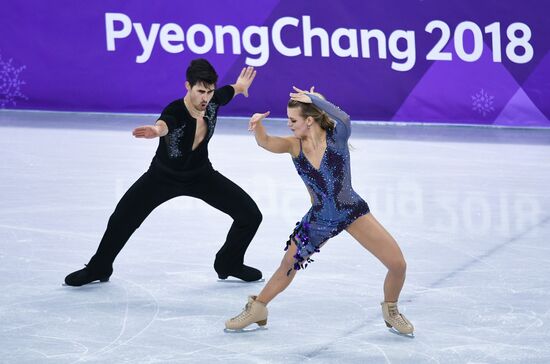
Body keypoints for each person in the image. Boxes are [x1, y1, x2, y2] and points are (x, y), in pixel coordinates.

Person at [225, 87, 414, 335]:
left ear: (309, 120)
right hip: (320, 219)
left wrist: (315, 99)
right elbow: (267, 142)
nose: (290, 125)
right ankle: (258, 308)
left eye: (293, 120)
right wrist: (258, 127)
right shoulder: (295, 146)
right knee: (287, 265)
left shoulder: (337, 138)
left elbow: (344, 118)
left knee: (398, 264)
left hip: (351, 211)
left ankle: (391, 310)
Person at [65, 59, 263, 286]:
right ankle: (99, 267)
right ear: (187, 86)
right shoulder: (176, 109)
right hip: (162, 177)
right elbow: (166, 122)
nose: (205, 98)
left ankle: (229, 262)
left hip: (201, 176)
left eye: (209, 91)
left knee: (251, 216)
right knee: (121, 219)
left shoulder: (213, 101)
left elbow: (227, 93)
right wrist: (156, 130)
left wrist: (239, 86)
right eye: (200, 91)